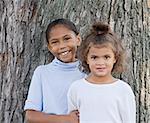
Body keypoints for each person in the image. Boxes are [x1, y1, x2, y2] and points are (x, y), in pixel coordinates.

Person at [67, 22, 136, 123]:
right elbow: (72, 119)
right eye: (94, 57)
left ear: (115, 58)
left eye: (106, 57)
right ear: (86, 58)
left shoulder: (123, 90)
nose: (100, 63)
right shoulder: (76, 88)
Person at [24, 18, 85, 123]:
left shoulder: (88, 73)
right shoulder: (42, 73)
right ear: (49, 47)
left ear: (78, 40)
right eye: (55, 42)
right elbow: (30, 115)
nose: (62, 46)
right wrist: (66, 119)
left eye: (67, 39)